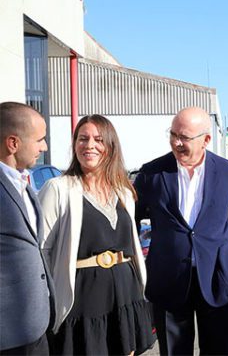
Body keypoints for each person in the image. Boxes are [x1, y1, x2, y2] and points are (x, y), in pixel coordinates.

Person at [134, 107, 228, 355]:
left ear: (206, 140)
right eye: (173, 134)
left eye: (184, 137)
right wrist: (141, 264)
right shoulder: (151, 173)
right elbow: (131, 220)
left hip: (219, 280)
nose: (176, 142)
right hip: (169, 282)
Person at [39, 115, 154, 355]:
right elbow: (42, 252)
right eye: (83, 139)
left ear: (110, 147)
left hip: (125, 293)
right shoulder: (58, 188)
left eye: (98, 139)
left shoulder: (123, 190)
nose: (89, 145)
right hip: (82, 299)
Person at [0, 102, 54, 355]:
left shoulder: (23, 182)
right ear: (13, 143)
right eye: (40, 139)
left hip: (34, 327)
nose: (44, 147)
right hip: (7, 336)